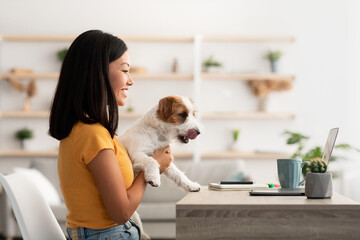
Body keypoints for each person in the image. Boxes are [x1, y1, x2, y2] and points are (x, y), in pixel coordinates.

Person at [49, 30, 173, 240]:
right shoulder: (92, 134)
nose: (131, 81)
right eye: (125, 70)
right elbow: (121, 212)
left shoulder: (85, 129)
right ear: (97, 73)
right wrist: (153, 167)